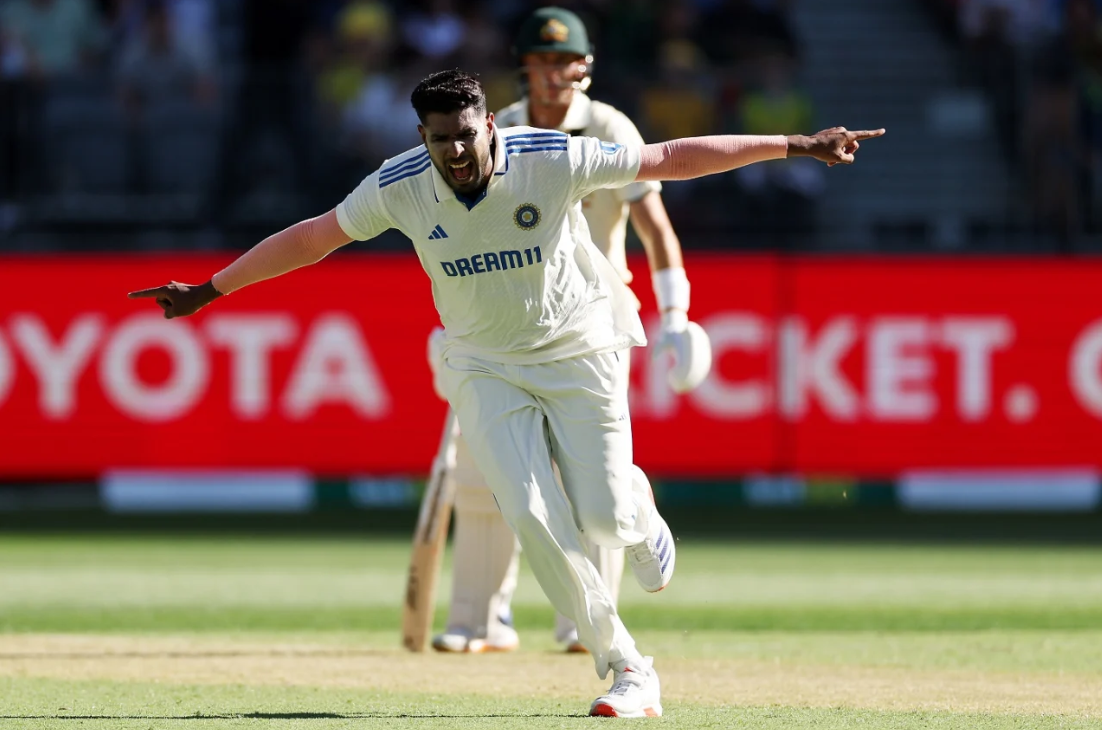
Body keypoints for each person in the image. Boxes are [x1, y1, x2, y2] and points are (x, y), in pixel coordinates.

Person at [128, 68, 882, 718]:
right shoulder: (400, 185)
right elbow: (314, 237)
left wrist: (796, 145)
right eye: (438, 138)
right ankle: (627, 668)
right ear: (421, 136)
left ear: (490, 124)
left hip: (580, 345)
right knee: (531, 513)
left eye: (464, 134)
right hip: (484, 364)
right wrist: (213, 288)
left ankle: (637, 508)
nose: (454, 152)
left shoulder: (550, 157)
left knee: (605, 514)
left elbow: (668, 158)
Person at [430, 6, 711, 657]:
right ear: (524, 66)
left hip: (591, 322)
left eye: (565, 62)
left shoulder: (609, 126)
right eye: (542, 62)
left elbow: (655, 229)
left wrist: (675, 314)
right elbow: (463, 240)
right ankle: (481, 619)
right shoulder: (493, 129)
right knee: (486, 475)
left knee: (593, 481)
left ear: (584, 66)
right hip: (504, 327)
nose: (554, 75)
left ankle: (582, 624)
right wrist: (455, 333)